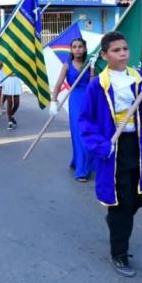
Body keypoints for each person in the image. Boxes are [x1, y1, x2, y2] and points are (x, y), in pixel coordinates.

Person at [78, 31, 142, 277]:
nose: (123, 53)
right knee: (121, 203)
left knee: (138, 197)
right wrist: (102, 145)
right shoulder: (97, 85)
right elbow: (85, 121)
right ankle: (119, 253)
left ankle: (115, 222)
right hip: (113, 150)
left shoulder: (137, 78)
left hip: (136, 146)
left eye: (125, 49)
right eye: (116, 50)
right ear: (104, 55)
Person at [50, 38, 94, 182]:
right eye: (74, 47)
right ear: (71, 50)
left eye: (80, 46)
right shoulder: (66, 65)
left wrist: (92, 68)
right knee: (78, 133)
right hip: (75, 100)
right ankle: (81, 170)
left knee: (88, 132)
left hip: (89, 100)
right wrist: (53, 101)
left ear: (85, 49)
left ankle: (78, 161)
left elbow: (93, 85)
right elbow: (58, 84)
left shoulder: (89, 65)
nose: (77, 49)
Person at [0, 62, 21, 130]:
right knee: (10, 103)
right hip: (8, 81)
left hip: (16, 81)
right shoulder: (3, 60)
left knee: (17, 104)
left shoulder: (16, 59)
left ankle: (11, 115)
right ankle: (9, 122)